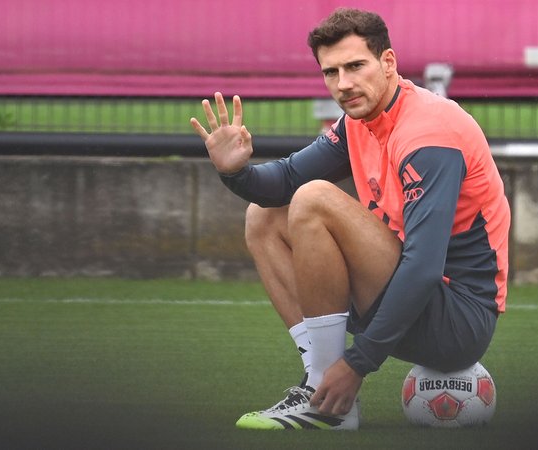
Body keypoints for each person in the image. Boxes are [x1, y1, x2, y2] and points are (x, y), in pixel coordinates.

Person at [190, 7, 510, 431]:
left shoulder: (430, 132)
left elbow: (424, 265)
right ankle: (320, 385)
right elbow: (284, 180)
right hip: (402, 299)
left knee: (315, 198)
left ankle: (329, 401)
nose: (343, 83)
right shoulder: (360, 120)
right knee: (263, 217)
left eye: (355, 66)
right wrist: (235, 172)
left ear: (388, 62)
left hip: (458, 322)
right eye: (331, 72)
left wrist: (358, 362)